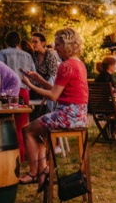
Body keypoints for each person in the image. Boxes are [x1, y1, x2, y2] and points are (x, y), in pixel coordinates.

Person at [20, 28, 89, 193]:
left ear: (67, 45)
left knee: (28, 130)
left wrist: (30, 86)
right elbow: (58, 90)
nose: (55, 48)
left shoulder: (65, 65)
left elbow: (52, 95)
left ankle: (34, 172)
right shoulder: (78, 63)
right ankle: (43, 168)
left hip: (67, 116)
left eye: (58, 45)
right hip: (79, 116)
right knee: (41, 133)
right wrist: (40, 80)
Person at [0, 31, 36, 143]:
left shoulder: (2, 53)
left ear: (6, 42)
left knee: (5, 124)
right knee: (22, 126)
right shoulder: (27, 55)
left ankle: (10, 154)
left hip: (8, 91)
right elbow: (33, 75)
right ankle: (22, 155)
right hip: (23, 91)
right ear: (19, 42)